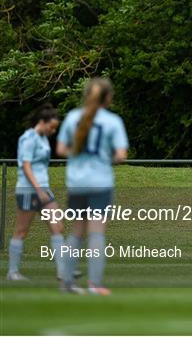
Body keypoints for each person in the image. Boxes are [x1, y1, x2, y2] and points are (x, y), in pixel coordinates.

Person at [57, 77, 128, 295]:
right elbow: (121, 155)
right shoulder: (112, 121)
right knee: (96, 234)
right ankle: (95, 284)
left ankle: (67, 283)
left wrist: (78, 154)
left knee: (77, 233)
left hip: (76, 182)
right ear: (107, 98)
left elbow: (61, 150)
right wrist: (105, 158)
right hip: (100, 182)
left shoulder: (72, 117)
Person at [7, 104, 65, 281]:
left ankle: (63, 272)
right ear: (42, 122)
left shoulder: (43, 138)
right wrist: (38, 190)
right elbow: (26, 166)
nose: (53, 131)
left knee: (58, 226)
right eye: (52, 127)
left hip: (43, 189)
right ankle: (13, 272)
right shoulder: (28, 138)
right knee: (22, 231)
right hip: (28, 190)